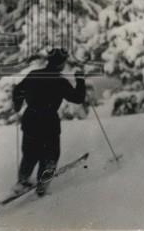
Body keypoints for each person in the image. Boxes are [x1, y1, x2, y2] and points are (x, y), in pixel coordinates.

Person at [11, 48, 87, 196]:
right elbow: (78, 98)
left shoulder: (33, 75)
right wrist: (80, 80)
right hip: (48, 122)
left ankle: (22, 181)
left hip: (30, 119)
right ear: (61, 64)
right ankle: (42, 185)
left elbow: (17, 91)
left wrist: (17, 106)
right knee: (50, 155)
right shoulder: (60, 81)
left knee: (30, 153)